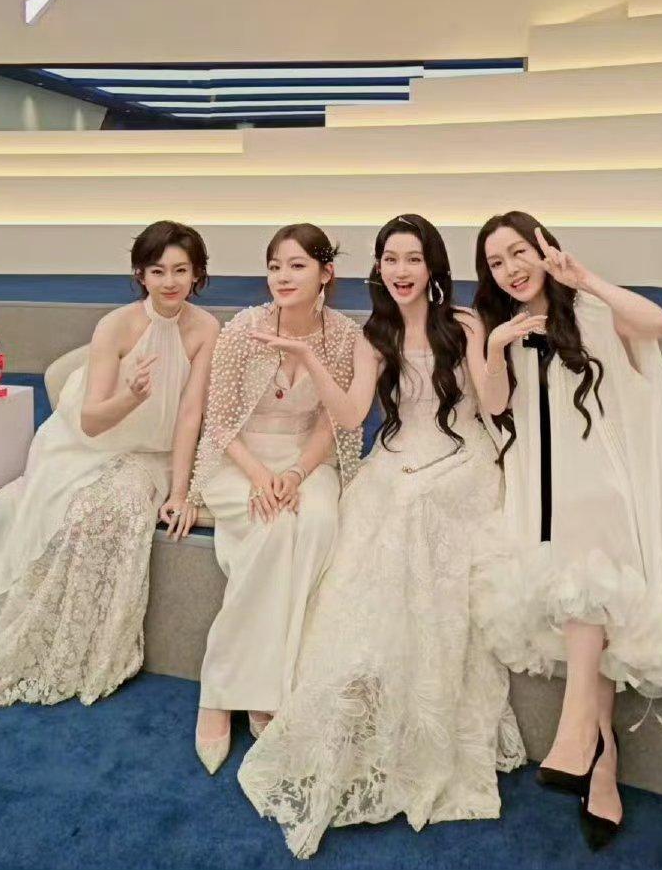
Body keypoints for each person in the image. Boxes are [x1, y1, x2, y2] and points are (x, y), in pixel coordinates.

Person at [470, 211, 662, 848]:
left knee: (589, 537)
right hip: (542, 490)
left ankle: (577, 734)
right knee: (583, 558)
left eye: (519, 252)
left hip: (608, 480)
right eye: (496, 263)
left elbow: (658, 324)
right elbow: (495, 405)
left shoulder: (590, 310)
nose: (510, 270)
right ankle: (600, 751)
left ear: (545, 250)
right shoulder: (504, 329)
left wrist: (585, 279)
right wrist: (496, 346)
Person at [238, 213, 524, 859]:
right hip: (397, 455)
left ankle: (422, 711)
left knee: (416, 506)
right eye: (390, 259)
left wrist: (494, 347)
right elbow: (350, 416)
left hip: (462, 458)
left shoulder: (465, 324)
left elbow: (493, 404)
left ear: (433, 266)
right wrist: (310, 358)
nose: (401, 270)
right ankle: (359, 693)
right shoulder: (375, 336)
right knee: (378, 504)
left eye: (412, 258)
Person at [0, 220, 219, 707]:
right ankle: (48, 635)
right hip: (88, 442)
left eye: (181, 270)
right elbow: (90, 421)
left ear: (197, 274)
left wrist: (180, 492)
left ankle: (96, 646)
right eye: (158, 271)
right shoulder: (115, 325)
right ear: (140, 274)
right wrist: (132, 396)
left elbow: (190, 414)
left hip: (154, 453)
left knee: (118, 509)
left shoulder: (206, 328)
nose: (170, 281)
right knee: (77, 511)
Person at [188, 224, 363, 775]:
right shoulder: (243, 329)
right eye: (275, 266)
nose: (283, 277)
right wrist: (261, 475)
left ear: (326, 273)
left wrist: (294, 472)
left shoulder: (344, 337)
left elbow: (332, 423)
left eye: (297, 265)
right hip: (239, 459)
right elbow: (220, 423)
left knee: (317, 524)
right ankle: (222, 692)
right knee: (276, 528)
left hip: (308, 459)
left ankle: (273, 680)